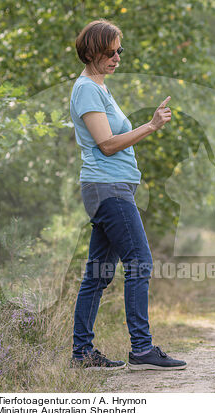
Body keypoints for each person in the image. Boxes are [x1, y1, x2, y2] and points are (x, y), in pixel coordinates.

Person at [69, 19, 187, 371]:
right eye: (110, 51)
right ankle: (142, 348)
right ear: (91, 51)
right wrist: (150, 126)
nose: (117, 56)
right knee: (140, 262)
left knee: (99, 274)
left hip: (110, 187)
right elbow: (106, 145)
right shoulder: (87, 89)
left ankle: (82, 354)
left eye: (120, 50)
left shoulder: (100, 89)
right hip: (108, 188)